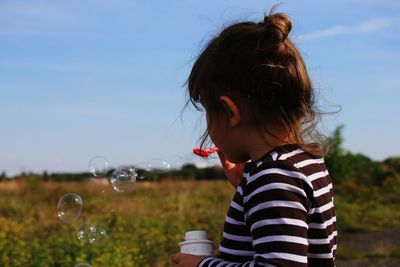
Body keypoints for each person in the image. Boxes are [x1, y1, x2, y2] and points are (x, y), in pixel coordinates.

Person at [171, 7, 337, 267]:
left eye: (206, 109)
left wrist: (202, 265)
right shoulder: (302, 163)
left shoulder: (273, 177)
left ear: (229, 111)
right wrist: (247, 189)